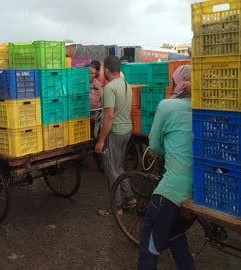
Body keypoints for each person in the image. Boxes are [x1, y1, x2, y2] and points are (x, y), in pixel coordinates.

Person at [138, 65, 195, 270]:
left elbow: (154, 145)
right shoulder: (203, 107)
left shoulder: (167, 106)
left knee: (150, 242)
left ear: (177, 84)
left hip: (173, 191)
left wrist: (165, 152)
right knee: (175, 234)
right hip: (199, 193)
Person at [95, 56, 136, 216]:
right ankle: (130, 198)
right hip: (127, 130)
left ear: (106, 70)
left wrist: (101, 140)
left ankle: (116, 207)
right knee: (118, 167)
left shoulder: (110, 88)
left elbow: (109, 116)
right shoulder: (127, 85)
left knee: (111, 170)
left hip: (116, 133)